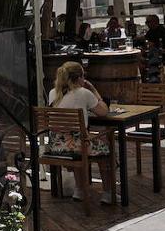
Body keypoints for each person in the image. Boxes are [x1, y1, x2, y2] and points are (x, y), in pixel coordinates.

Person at [46, 61, 116, 204]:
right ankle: (108, 192)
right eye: (83, 76)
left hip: (56, 145)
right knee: (104, 144)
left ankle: (80, 190)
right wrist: (94, 90)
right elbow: (103, 111)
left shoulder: (53, 93)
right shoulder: (84, 93)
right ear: (79, 78)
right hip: (77, 147)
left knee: (79, 140)